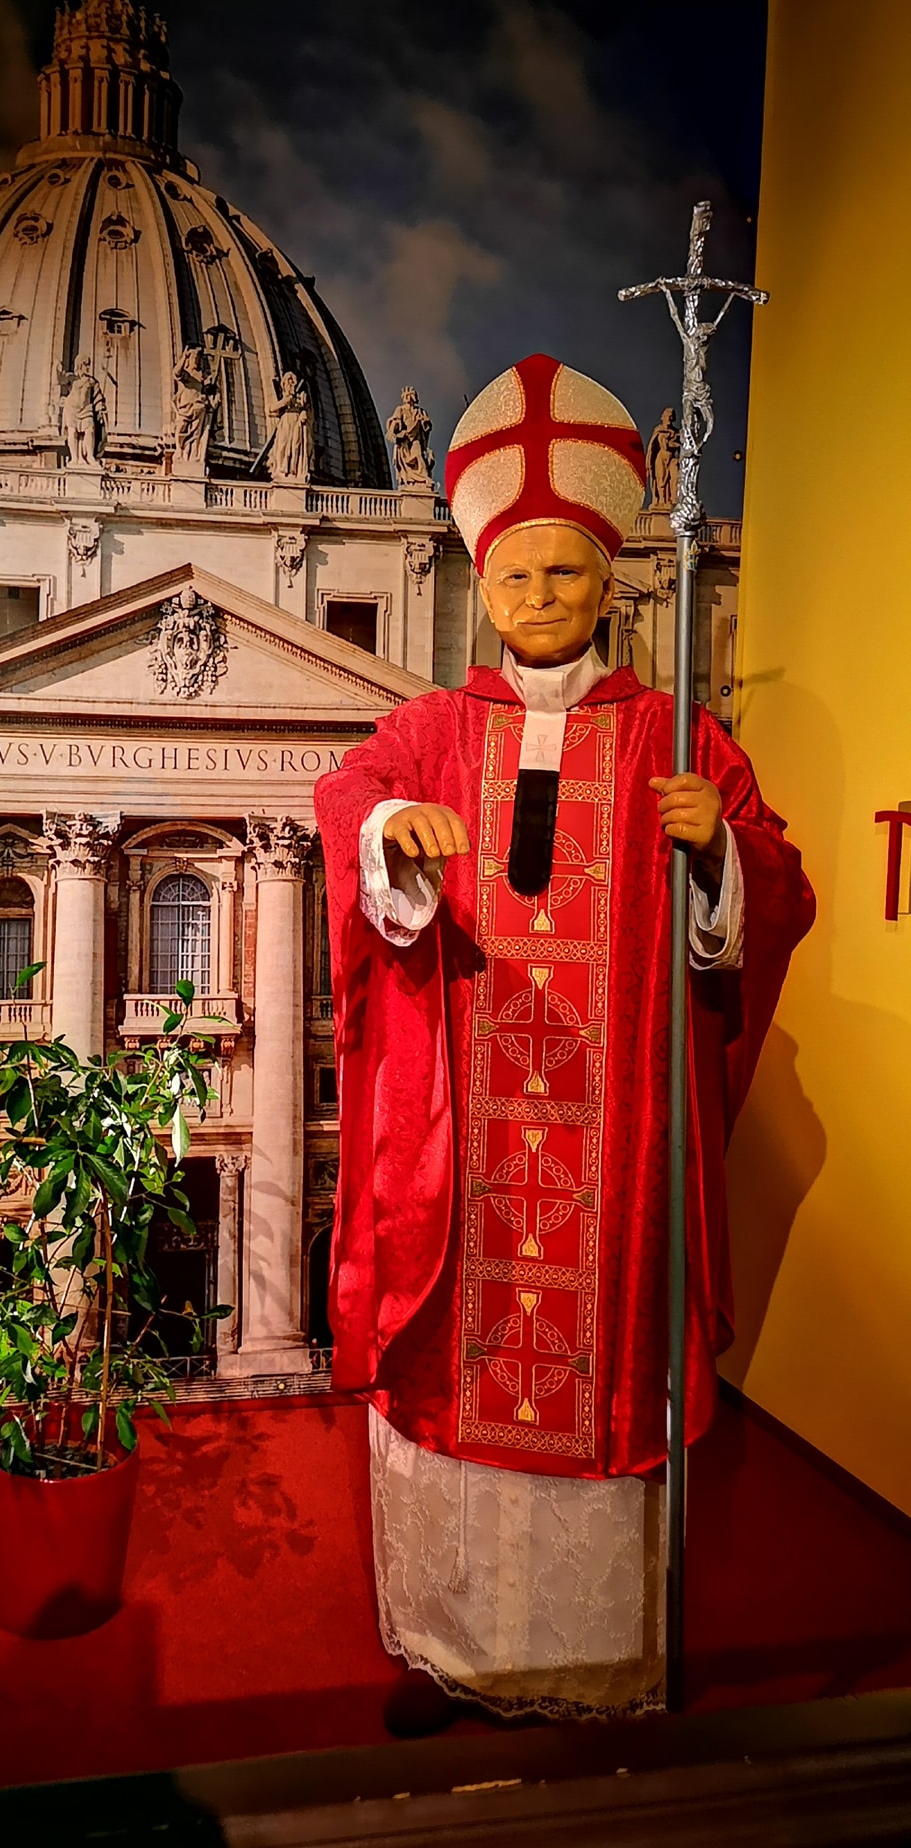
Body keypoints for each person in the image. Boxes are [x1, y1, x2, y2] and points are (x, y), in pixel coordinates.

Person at [314, 352, 813, 1727]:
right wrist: (390, 834)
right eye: (516, 577)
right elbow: (347, 800)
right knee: (458, 1387)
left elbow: (775, 894)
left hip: (615, 1141)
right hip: (463, 1139)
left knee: (599, 1387)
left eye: (567, 575)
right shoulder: (427, 731)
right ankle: (449, 1644)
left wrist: (719, 860)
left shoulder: (676, 736)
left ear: (612, 584)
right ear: (482, 587)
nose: (539, 598)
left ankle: (591, 1661)